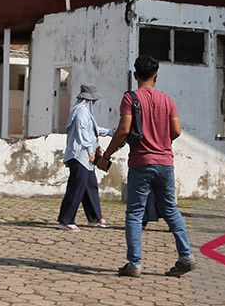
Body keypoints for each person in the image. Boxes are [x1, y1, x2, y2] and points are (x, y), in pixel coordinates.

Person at [99, 55, 196, 278]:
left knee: (135, 212)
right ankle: (186, 256)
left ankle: (134, 264)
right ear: (156, 76)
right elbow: (177, 131)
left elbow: (124, 129)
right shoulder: (168, 100)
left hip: (141, 163)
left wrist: (107, 155)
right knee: (170, 210)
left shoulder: (130, 98)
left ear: (135, 75)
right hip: (165, 163)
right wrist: (161, 140)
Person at [58, 83, 113, 230]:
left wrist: (109, 132)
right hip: (79, 155)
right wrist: (90, 150)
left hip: (85, 157)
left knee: (90, 185)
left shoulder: (85, 112)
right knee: (76, 187)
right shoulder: (81, 111)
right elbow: (82, 132)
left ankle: (94, 216)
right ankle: (66, 219)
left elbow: (92, 130)